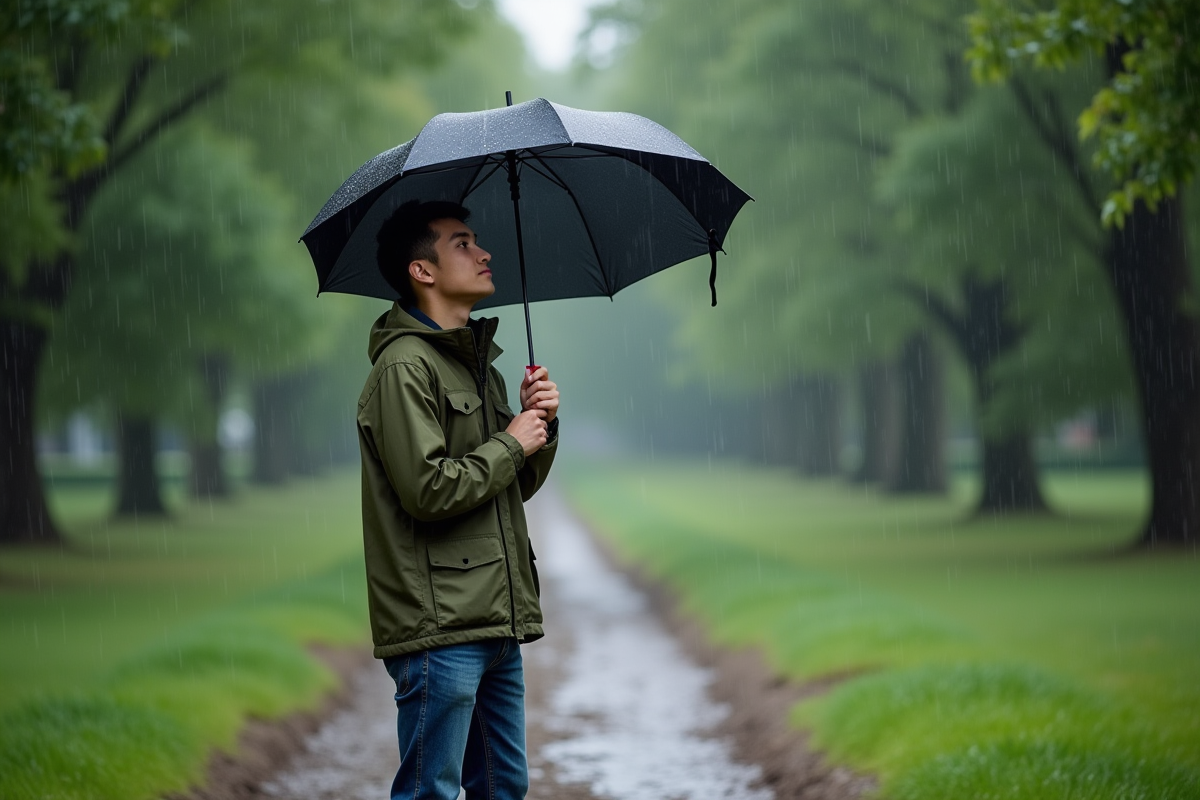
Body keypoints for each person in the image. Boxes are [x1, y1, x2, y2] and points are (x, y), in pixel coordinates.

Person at [357, 199, 559, 800]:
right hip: (440, 624)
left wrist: (538, 420)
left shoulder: (479, 370)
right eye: (463, 243)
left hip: (495, 617)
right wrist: (509, 441)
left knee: (504, 787)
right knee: (431, 792)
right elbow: (428, 490)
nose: (484, 252)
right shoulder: (403, 369)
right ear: (423, 271)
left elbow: (513, 485)